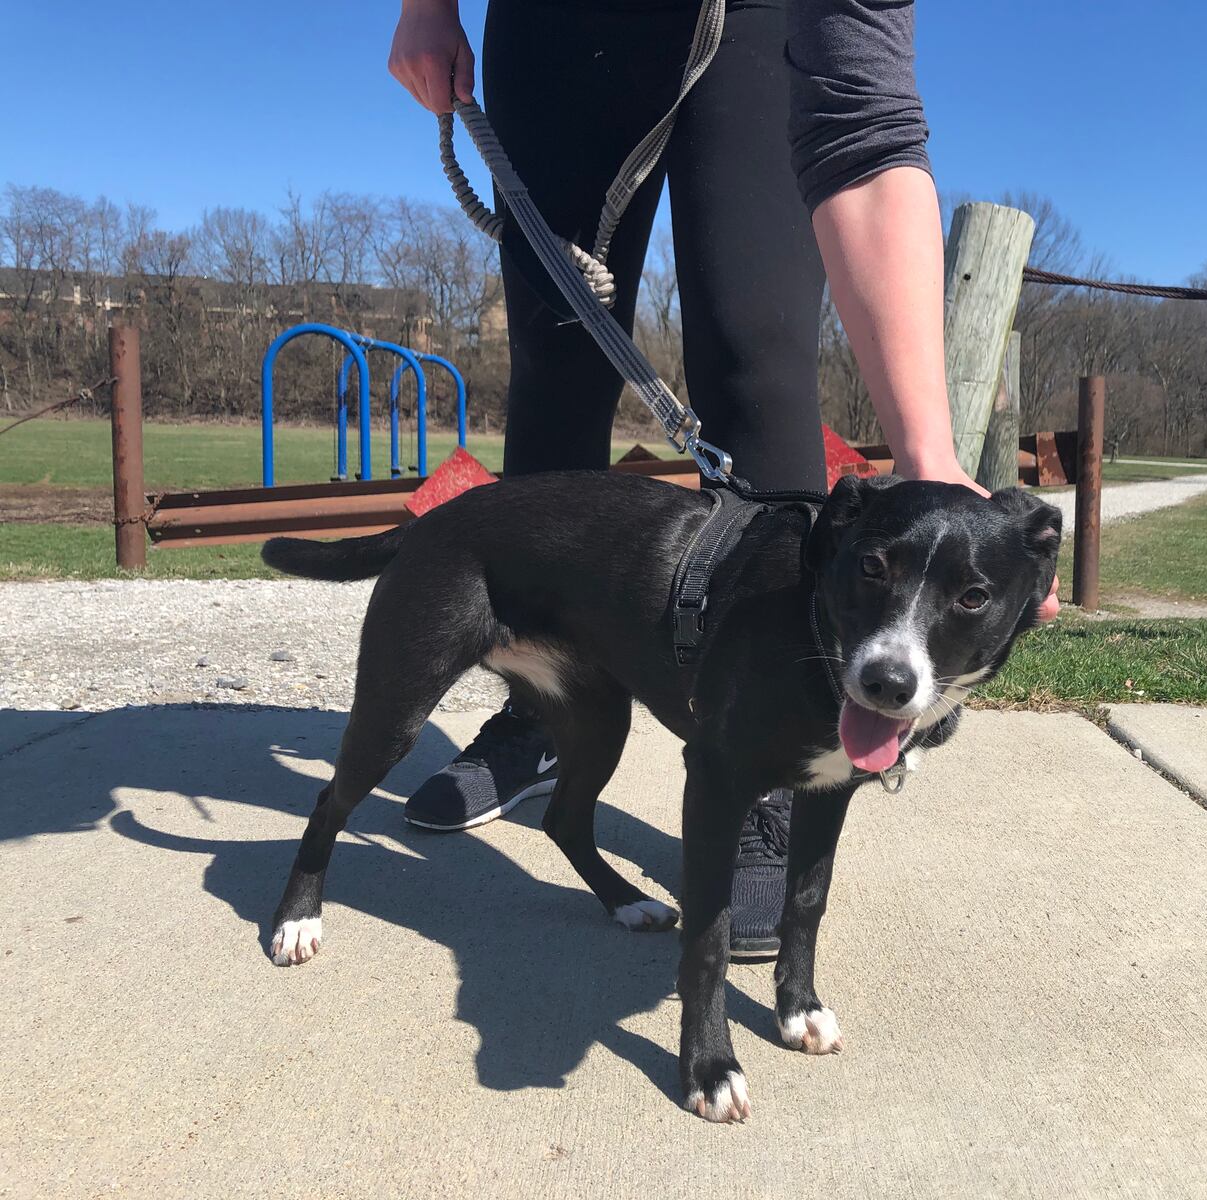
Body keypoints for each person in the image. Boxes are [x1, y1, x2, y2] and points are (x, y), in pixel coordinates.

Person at [388, 0, 1060, 957]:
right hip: (555, 19)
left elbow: (866, 130)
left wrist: (931, 460)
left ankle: (775, 754)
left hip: (750, 17)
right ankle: (543, 708)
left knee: (759, 355)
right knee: (559, 350)